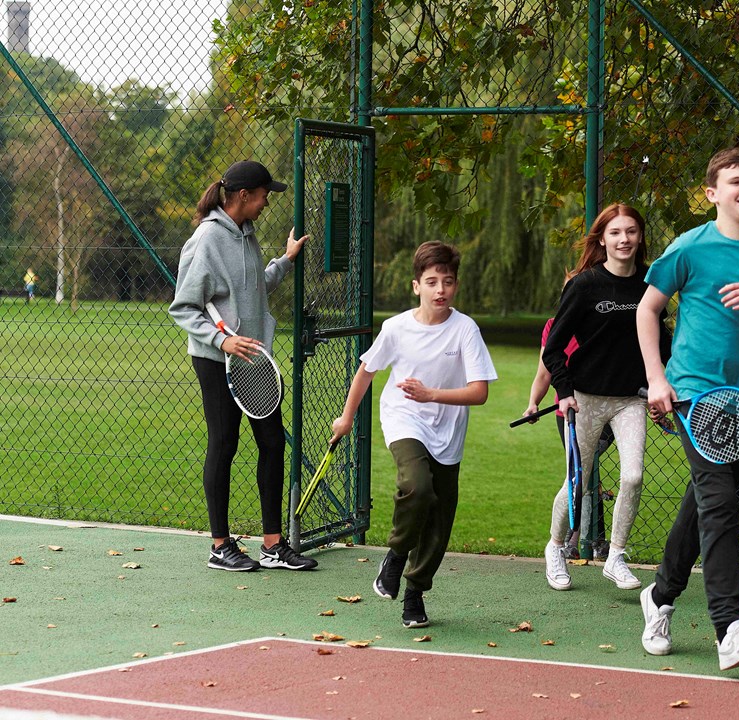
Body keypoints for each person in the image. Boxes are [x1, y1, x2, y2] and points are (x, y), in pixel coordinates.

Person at [637, 146, 739, 671]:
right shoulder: (690, 247)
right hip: (693, 394)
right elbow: (647, 310)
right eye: (735, 182)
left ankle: (660, 596)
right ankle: (729, 628)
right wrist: (657, 379)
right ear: (713, 193)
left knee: (705, 499)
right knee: (720, 504)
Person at [330, 241, 497, 628]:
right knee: (416, 486)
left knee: (438, 525)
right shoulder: (396, 328)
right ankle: (395, 554)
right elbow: (367, 371)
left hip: (449, 431)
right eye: (432, 281)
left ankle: (415, 593)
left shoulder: (465, 330)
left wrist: (432, 394)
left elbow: (480, 392)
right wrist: (346, 416)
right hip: (404, 418)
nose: (440, 290)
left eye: (448, 282)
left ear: (456, 286)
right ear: (416, 286)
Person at [169, 160, 318, 573]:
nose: (267, 202)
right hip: (217, 360)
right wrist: (223, 340)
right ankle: (220, 545)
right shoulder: (206, 241)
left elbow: (252, 288)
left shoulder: (247, 235)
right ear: (242, 196)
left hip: (254, 360)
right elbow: (183, 308)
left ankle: (273, 545)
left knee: (271, 443)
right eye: (264, 195)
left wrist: (284, 261)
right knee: (225, 443)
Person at [541, 203, 667, 592]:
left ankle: (615, 557)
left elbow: (662, 343)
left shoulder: (651, 283)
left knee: (633, 476)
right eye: (615, 232)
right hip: (584, 399)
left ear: (640, 236)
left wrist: (663, 386)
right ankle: (556, 548)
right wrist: (563, 394)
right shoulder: (584, 285)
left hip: (631, 399)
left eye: (631, 231)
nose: (624, 239)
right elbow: (553, 349)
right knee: (576, 483)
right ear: (602, 239)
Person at [523, 317, 613, 561]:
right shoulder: (554, 326)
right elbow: (544, 373)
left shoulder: (602, 320)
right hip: (568, 413)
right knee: (580, 471)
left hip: (603, 409)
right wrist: (533, 403)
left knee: (584, 467)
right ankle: (593, 540)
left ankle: (579, 540)